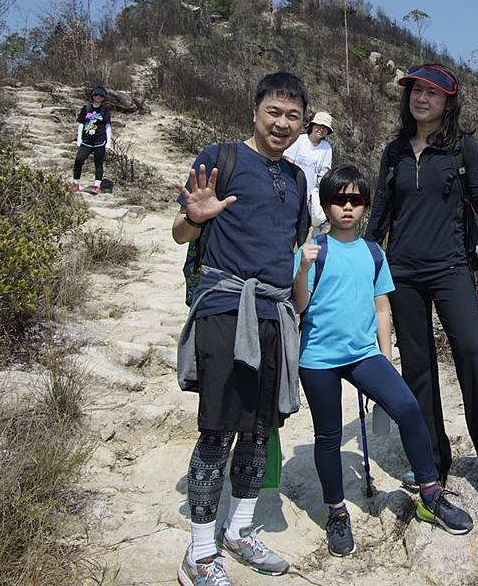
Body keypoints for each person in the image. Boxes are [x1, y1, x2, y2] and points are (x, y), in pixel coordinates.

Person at [365, 63, 478, 500]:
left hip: (450, 267)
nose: (422, 98)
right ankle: (431, 460)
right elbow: (381, 210)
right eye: (416, 91)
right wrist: (364, 258)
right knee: (417, 366)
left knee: (472, 353)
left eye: (432, 93)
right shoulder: (395, 151)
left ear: (448, 102)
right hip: (402, 271)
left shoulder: (463, 148)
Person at [172, 72, 311, 585]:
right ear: (255, 112)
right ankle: (200, 552)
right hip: (226, 308)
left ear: (303, 123)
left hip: (274, 314)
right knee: (217, 428)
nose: (282, 123)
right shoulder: (220, 158)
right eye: (274, 112)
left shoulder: (297, 179)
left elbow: (290, 251)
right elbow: (179, 232)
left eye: (293, 116)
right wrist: (195, 217)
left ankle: (240, 529)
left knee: (258, 429)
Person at [294, 165, 474, 557]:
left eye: (356, 199)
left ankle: (430, 494)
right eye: (338, 199)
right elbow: (300, 306)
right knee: (328, 436)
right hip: (318, 358)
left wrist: (386, 357)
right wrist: (303, 267)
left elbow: (382, 309)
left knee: (408, 408)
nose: (347, 207)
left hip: (364, 355)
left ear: (365, 205)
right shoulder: (313, 251)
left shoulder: (374, 253)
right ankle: (336, 511)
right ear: (325, 204)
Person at [284, 111, 335, 236]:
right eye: (319, 126)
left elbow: (324, 174)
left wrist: (319, 194)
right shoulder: (299, 140)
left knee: (304, 230)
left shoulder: (326, 148)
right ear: (312, 126)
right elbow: (288, 163)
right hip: (292, 191)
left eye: (325, 128)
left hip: (310, 197)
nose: (321, 130)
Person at [71, 86, 111, 194]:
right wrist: (79, 139)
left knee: (98, 163)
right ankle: (76, 184)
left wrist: (108, 142)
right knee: (79, 160)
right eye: (96, 95)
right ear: (92, 96)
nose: (98, 97)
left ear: (104, 98)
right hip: (86, 141)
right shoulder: (86, 108)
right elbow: (80, 124)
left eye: (101, 95)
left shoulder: (104, 110)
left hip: (100, 141)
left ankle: (96, 186)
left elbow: (107, 126)